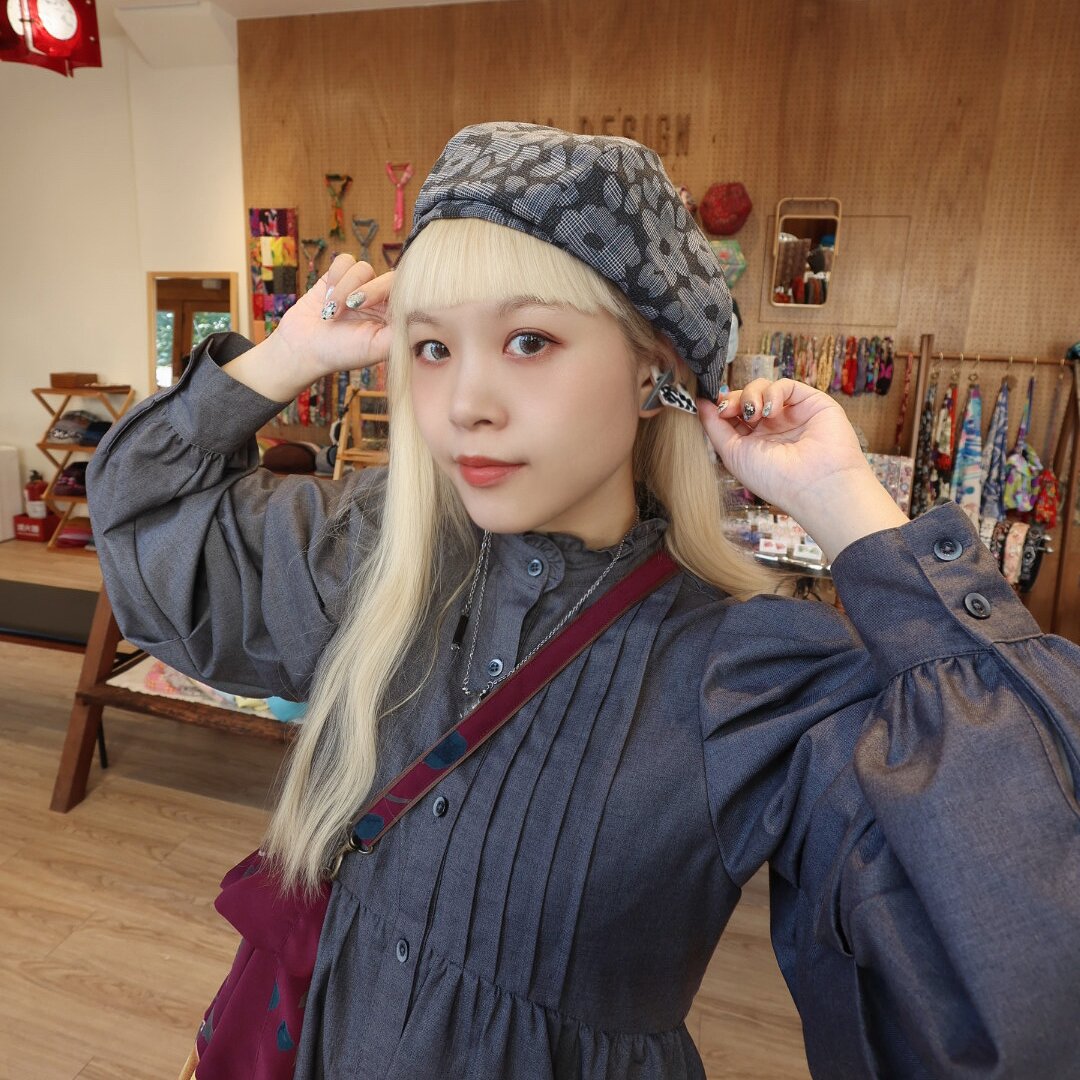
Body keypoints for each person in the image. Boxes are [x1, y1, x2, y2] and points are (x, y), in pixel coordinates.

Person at [87, 123, 1080, 1080]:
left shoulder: (744, 672)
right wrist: (287, 355)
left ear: (655, 368)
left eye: (528, 340)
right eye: (431, 348)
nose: (466, 403)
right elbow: (149, 541)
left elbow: (1025, 972)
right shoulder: (375, 557)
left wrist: (848, 508)